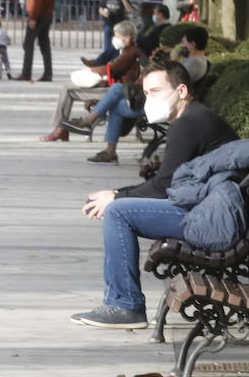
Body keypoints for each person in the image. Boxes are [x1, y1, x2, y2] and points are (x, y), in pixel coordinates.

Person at [71, 64, 237, 328]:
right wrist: (118, 194)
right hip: (210, 209)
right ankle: (121, 302)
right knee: (118, 207)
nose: (150, 99)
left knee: (118, 212)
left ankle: (125, 306)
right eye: (147, 93)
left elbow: (164, 186)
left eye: (157, 91)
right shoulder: (193, 117)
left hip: (212, 218)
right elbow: (169, 184)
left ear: (181, 90)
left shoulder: (189, 123)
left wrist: (116, 197)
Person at [40, 20, 142, 142]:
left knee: (67, 90)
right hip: (114, 87)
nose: (114, 39)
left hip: (115, 92)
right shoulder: (128, 51)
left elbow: (111, 69)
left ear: (127, 38)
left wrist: (93, 70)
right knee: (67, 88)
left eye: (117, 36)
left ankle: (60, 129)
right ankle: (61, 129)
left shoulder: (130, 53)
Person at [18, 0, 54, 81]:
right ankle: (48, 73)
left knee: (28, 43)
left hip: (38, 16)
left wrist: (33, 17)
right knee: (44, 44)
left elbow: (37, 0)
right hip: (46, 15)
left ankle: (26, 72)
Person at [84, 0, 133, 67]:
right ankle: (106, 64)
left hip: (119, 27)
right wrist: (103, 12)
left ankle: (111, 63)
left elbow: (129, 9)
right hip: (108, 24)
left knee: (117, 46)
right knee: (107, 47)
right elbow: (100, 8)